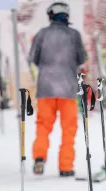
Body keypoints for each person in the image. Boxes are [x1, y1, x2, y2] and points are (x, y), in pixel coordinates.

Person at [29, 2, 86, 177]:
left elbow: (33, 57)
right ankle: (66, 166)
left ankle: (39, 157)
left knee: (43, 126)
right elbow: (82, 58)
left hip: (46, 88)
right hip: (68, 88)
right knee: (69, 129)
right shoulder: (74, 35)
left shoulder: (41, 34)